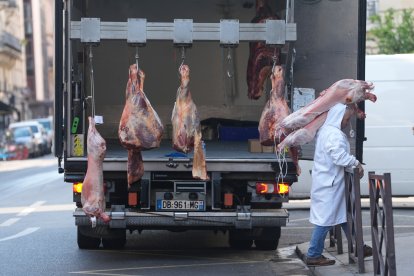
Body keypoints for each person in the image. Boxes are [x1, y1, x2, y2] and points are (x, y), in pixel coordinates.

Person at [305, 103, 369, 266]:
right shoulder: (333, 134)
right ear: (338, 117)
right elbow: (339, 157)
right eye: (346, 119)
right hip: (330, 185)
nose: (347, 122)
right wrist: (356, 163)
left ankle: (359, 246)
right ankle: (313, 254)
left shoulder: (326, 131)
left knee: (343, 216)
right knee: (325, 220)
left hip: (329, 182)